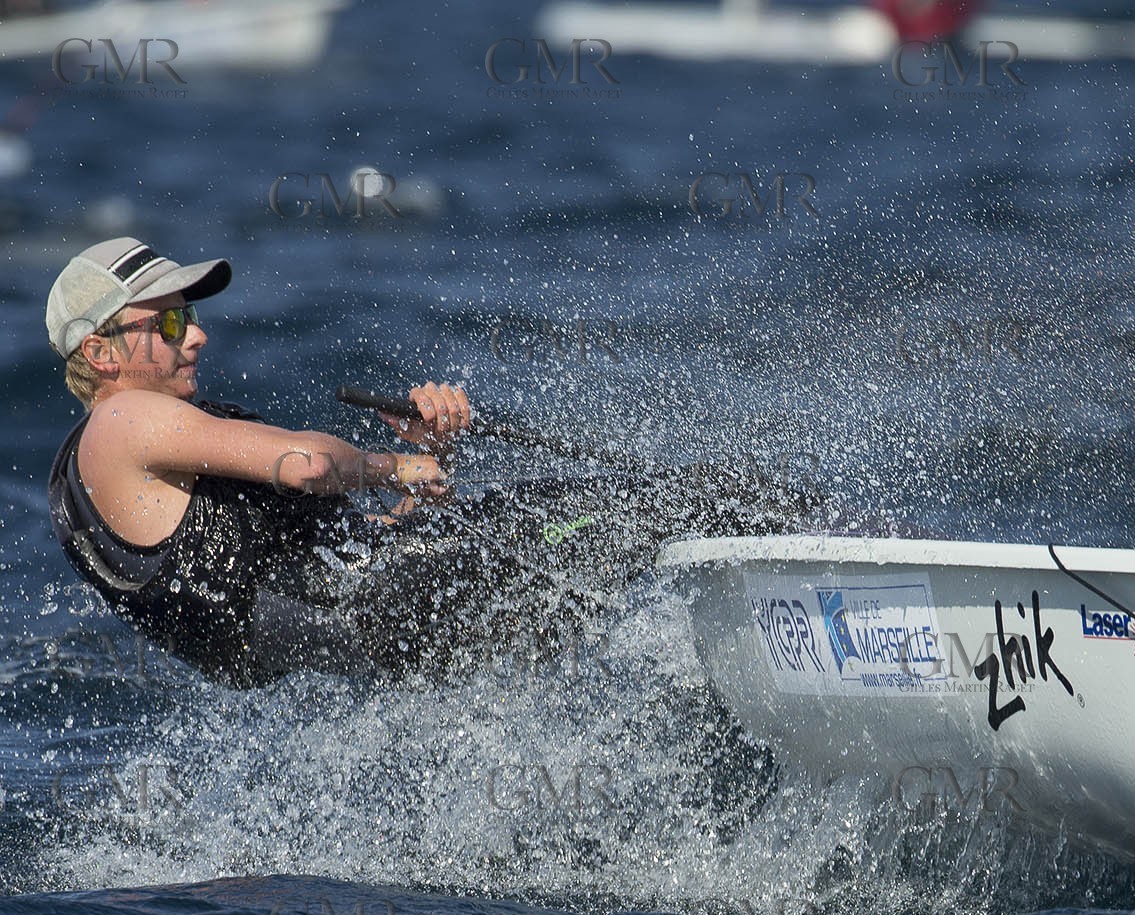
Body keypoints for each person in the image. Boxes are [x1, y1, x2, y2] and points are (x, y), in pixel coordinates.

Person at [46, 237, 812, 688]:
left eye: (193, 315)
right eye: (170, 319)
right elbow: (308, 465)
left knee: (598, 594)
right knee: (687, 499)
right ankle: (859, 587)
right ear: (99, 351)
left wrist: (426, 456)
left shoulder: (116, 467)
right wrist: (393, 466)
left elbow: (334, 562)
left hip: (386, 631)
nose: (196, 336)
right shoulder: (122, 420)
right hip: (388, 607)